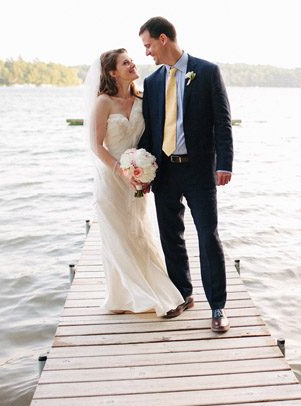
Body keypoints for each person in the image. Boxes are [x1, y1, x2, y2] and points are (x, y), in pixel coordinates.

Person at [138, 17, 234, 332]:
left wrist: (225, 164)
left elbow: (223, 121)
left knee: (209, 236)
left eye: (149, 45)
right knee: (171, 237)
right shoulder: (152, 83)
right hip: (165, 171)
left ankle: (217, 307)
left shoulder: (207, 72)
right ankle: (183, 294)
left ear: (163, 39)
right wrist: (143, 168)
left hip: (199, 170)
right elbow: (152, 130)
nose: (148, 52)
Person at [86, 48, 185, 316]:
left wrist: (145, 171)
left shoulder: (143, 100)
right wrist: (122, 171)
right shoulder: (103, 102)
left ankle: (153, 290)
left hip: (138, 179)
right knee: (119, 238)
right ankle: (141, 297)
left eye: (131, 60)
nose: (132, 64)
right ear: (112, 72)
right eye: (125, 62)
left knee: (139, 234)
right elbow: (96, 146)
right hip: (113, 180)